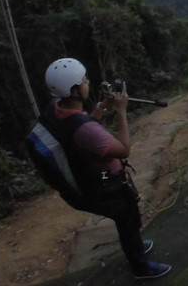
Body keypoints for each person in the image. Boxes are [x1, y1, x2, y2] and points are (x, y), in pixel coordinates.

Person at [42, 58, 171, 280]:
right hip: (105, 186)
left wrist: (102, 107)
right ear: (73, 90)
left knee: (126, 220)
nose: (87, 82)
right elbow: (123, 149)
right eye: (83, 80)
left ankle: (136, 245)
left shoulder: (58, 109)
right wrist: (121, 111)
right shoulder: (84, 130)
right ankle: (141, 267)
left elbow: (83, 128)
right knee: (127, 218)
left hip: (88, 182)